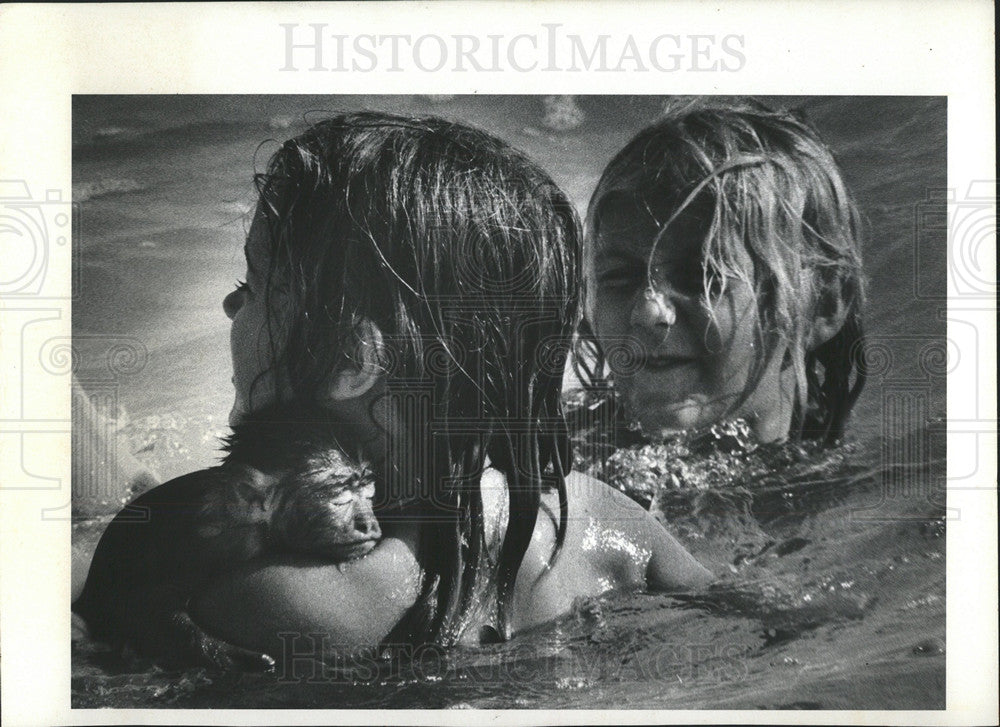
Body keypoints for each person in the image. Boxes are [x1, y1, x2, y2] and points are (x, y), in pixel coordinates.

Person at [76, 112, 711, 668]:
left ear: (351, 358)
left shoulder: (284, 599)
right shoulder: (597, 516)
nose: (228, 304)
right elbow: (746, 613)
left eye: (253, 286)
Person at [574, 100, 866, 447]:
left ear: (822, 305)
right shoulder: (547, 454)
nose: (648, 311)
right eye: (620, 278)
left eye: (703, 278)